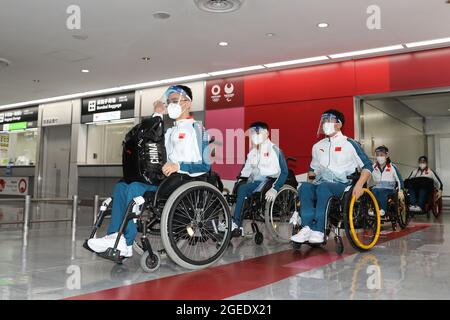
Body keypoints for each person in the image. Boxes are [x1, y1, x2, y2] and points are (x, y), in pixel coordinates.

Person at [87, 85, 210, 257]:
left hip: (183, 180)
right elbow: (150, 139)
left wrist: (179, 166)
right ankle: (115, 236)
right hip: (164, 179)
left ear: (188, 103)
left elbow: (205, 166)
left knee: (135, 189)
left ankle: (126, 240)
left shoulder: (200, 131)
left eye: (175, 101)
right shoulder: (169, 132)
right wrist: (157, 114)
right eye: (169, 102)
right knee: (122, 186)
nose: (171, 105)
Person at [291, 109, 373, 244]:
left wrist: (359, 185)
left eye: (329, 120)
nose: (325, 123)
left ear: (339, 124)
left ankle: (319, 230)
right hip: (321, 183)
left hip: (343, 185)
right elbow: (312, 169)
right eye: (324, 120)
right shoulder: (317, 146)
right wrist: (309, 183)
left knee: (323, 187)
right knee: (305, 188)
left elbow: (367, 166)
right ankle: (306, 228)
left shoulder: (349, 143)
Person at [231, 121, 288, 237]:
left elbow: (284, 172)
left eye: (257, 132)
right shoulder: (252, 153)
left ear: (266, 134)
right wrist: (238, 182)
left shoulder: (274, 150)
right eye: (252, 133)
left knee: (243, 189)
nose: (254, 135)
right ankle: (235, 223)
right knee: (238, 189)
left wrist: (275, 188)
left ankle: (236, 224)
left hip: (268, 182)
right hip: (254, 183)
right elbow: (245, 172)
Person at [370, 145, 404, 217]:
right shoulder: (373, 167)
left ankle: (383, 210)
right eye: (378, 155)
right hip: (377, 188)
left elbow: (399, 179)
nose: (379, 157)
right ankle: (374, 209)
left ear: (386, 155)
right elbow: (366, 177)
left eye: (381, 155)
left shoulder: (392, 167)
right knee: (372, 191)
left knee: (381, 191)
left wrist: (401, 190)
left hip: (390, 189)